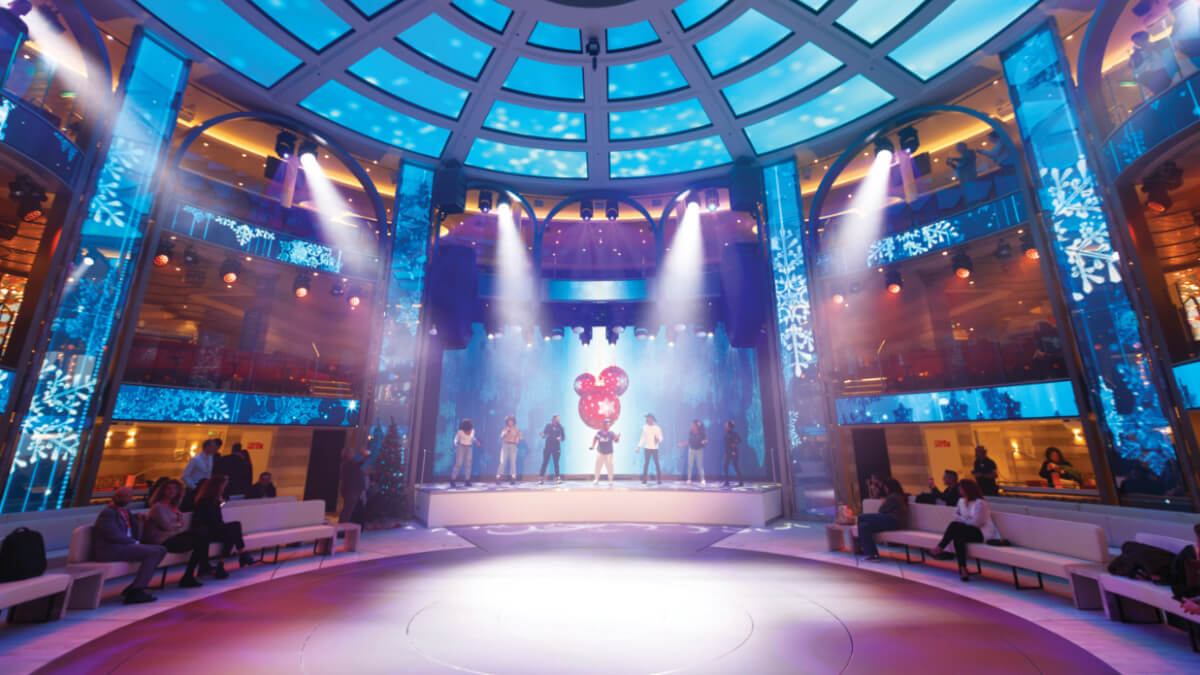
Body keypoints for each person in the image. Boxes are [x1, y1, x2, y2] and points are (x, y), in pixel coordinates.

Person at [91, 486, 166, 604]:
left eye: (127, 496)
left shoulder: (125, 512)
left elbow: (130, 524)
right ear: (114, 497)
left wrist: (138, 518)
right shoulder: (108, 513)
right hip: (111, 549)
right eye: (120, 496)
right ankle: (136, 590)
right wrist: (134, 543)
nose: (123, 498)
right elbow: (113, 534)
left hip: (124, 547)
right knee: (153, 552)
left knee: (162, 549)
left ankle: (136, 586)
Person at [142, 479, 208, 589]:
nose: (172, 491)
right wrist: (178, 523)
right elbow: (167, 526)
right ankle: (194, 572)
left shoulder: (173, 507)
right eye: (169, 489)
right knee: (199, 539)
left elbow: (175, 527)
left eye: (175, 489)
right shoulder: (158, 507)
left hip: (171, 537)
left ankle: (193, 573)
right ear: (163, 491)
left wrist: (177, 524)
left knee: (201, 534)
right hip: (161, 541)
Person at [930, 479, 999, 581]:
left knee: (955, 526)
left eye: (961, 488)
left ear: (967, 489)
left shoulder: (980, 503)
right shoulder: (961, 501)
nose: (959, 490)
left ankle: (940, 548)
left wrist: (962, 519)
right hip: (966, 531)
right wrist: (966, 520)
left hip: (981, 533)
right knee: (958, 536)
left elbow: (976, 523)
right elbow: (955, 515)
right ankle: (963, 569)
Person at [189, 474, 257, 578]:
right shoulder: (205, 501)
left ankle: (223, 564)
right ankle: (241, 554)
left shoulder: (212, 500)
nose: (224, 488)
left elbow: (216, 516)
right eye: (224, 486)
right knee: (234, 528)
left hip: (212, 529)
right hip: (206, 531)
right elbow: (210, 520)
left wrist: (221, 503)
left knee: (233, 532)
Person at [858, 479, 910, 562]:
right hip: (894, 522)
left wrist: (883, 502)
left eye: (885, 487)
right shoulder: (898, 496)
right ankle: (871, 554)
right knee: (864, 526)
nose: (885, 489)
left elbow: (881, 510)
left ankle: (864, 549)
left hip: (893, 521)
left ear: (889, 487)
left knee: (861, 517)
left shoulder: (893, 497)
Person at [340, 447, 369, 524]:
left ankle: (345, 525)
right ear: (348, 454)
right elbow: (361, 462)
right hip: (351, 491)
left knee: (349, 510)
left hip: (353, 490)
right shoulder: (348, 463)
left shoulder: (350, 463)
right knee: (347, 510)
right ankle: (342, 526)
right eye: (352, 453)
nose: (354, 454)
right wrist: (365, 455)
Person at [450, 419, 480, 488]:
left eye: (470, 429)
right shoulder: (460, 432)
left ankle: (467, 480)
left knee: (468, 464)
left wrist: (477, 442)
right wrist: (455, 443)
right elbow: (456, 438)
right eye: (468, 430)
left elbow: (472, 438)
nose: (469, 431)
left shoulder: (472, 431)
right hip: (461, 447)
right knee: (459, 464)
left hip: (469, 447)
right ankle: (452, 479)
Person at [590, 418, 620, 486]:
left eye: (609, 425)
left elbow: (616, 440)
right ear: (604, 425)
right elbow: (595, 438)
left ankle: (610, 480)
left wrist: (617, 438)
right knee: (598, 466)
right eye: (607, 424)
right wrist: (593, 446)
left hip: (609, 453)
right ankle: (596, 479)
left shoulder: (611, 433)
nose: (608, 426)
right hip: (600, 452)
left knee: (609, 466)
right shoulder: (599, 433)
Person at [636, 413, 664, 485]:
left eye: (649, 418)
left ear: (652, 419)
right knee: (646, 464)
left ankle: (659, 480)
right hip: (647, 448)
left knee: (657, 463)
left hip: (655, 448)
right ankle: (644, 480)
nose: (647, 419)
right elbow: (642, 438)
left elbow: (661, 437)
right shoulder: (644, 427)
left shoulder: (657, 428)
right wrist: (639, 447)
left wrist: (658, 439)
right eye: (647, 418)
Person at [678, 420, 707, 485]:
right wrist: (682, 444)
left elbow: (706, 440)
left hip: (699, 450)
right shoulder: (691, 432)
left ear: (696, 426)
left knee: (700, 465)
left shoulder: (702, 433)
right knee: (690, 465)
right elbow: (689, 441)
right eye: (692, 425)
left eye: (693, 425)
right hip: (691, 450)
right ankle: (689, 479)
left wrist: (704, 442)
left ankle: (702, 479)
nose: (692, 426)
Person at [538, 414, 565, 484]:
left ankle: (557, 478)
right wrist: (543, 435)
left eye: (559, 418)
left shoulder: (560, 427)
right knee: (545, 462)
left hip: (556, 447)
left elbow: (563, 437)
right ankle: (541, 478)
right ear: (554, 419)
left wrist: (560, 438)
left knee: (556, 463)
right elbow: (544, 435)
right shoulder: (548, 426)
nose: (558, 419)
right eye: (557, 418)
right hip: (548, 446)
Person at [497, 416, 521, 486]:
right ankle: (498, 477)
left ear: (513, 421)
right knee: (502, 461)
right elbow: (501, 436)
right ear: (507, 422)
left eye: (511, 421)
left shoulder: (517, 429)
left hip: (513, 445)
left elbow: (520, 437)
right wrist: (506, 431)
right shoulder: (505, 429)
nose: (510, 422)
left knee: (513, 462)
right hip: (505, 445)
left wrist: (518, 439)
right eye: (509, 421)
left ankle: (513, 478)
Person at [722, 421, 743, 488]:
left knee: (735, 466)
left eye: (726, 425)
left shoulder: (734, 433)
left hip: (734, 452)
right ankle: (727, 482)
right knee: (725, 466)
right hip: (727, 452)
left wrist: (735, 443)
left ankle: (741, 481)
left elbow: (740, 440)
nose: (725, 426)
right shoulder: (726, 434)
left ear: (729, 426)